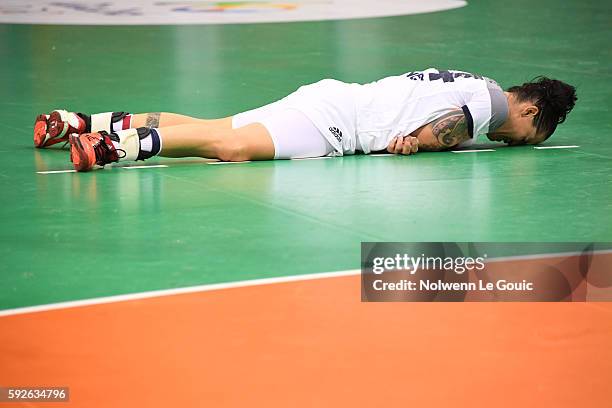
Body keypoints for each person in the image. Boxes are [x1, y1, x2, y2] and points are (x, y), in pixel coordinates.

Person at [33, 68, 577, 172]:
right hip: (339, 126)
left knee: (216, 128)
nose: (516, 143)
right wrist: (421, 143)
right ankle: (111, 148)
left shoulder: (471, 79)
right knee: (232, 148)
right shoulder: (488, 107)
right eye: (530, 137)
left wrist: (419, 136)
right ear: (529, 109)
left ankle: (80, 122)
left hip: (333, 97)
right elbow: (436, 133)